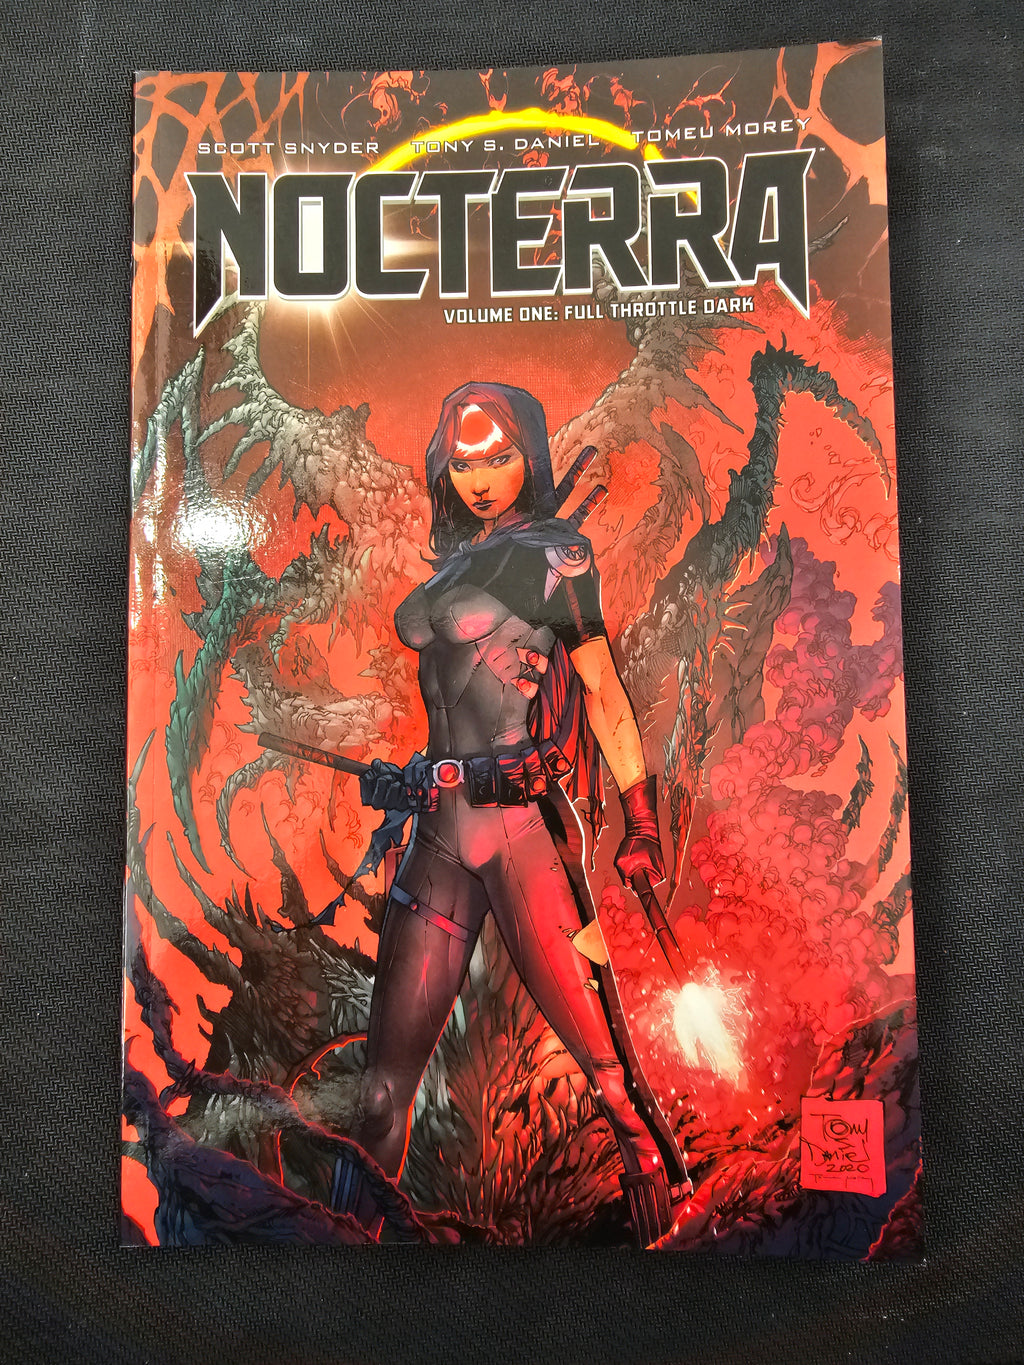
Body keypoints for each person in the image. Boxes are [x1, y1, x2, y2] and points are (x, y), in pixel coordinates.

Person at [345, 381, 687, 1245]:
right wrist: (406, 779)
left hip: (518, 832)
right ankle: (337, 1253)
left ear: (527, 456)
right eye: (464, 461)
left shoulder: (555, 559)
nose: (481, 476)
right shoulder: (457, 564)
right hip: (439, 835)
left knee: (613, 1081)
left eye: (499, 457)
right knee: (379, 1094)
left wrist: (642, 819)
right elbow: (445, 699)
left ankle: (681, 1241)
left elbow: (603, 689)